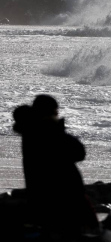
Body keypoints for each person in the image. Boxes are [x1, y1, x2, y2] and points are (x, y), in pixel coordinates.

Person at [13, 95, 99, 238]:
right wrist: (58, 129)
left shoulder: (29, 132)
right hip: (63, 198)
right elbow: (78, 152)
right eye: (55, 111)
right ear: (49, 112)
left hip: (43, 198)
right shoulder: (46, 131)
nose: (57, 114)